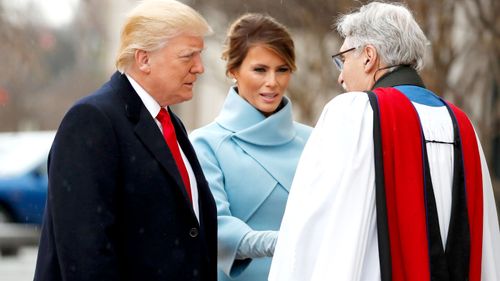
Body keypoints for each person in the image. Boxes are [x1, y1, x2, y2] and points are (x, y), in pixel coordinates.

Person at [269, 2, 500, 281]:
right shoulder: (462, 125)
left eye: (343, 60)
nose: (341, 76)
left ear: (369, 57)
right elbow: (486, 244)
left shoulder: (353, 114)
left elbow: (308, 231)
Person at [33, 1, 217, 280]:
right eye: (187, 56)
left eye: (199, 55)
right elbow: (85, 252)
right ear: (143, 59)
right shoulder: (92, 119)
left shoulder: (167, 121)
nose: (199, 67)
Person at [190, 13, 312, 281]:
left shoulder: (315, 141)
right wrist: (278, 242)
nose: (273, 82)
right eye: (260, 69)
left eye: (282, 69)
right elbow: (215, 226)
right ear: (233, 70)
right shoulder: (204, 144)